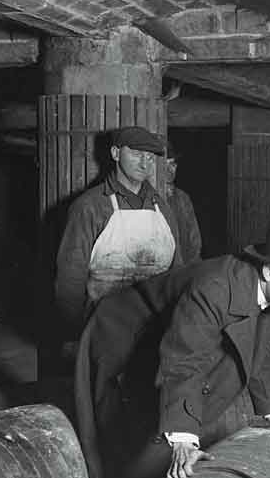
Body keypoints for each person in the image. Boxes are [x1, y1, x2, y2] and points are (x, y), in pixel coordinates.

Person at [74, 217, 270, 478]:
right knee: (122, 442)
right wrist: (184, 437)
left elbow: (258, 348)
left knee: (175, 420)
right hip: (123, 333)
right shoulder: (214, 288)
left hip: (169, 336)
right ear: (269, 271)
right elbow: (184, 360)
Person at [53, 126, 196, 344]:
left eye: (149, 157)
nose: (144, 163)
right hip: (102, 327)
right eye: (136, 154)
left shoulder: (162, 208)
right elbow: (70, 279)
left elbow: (176, 272)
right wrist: (72, 334)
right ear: (115, 153)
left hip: (154, 326)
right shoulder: (90, 207)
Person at [162, 147, 204, 263]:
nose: (169, 170)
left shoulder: (183, 197)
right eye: (165, 164)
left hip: (184, 267)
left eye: (173, 164)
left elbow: (194, 238)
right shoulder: (152, 196)